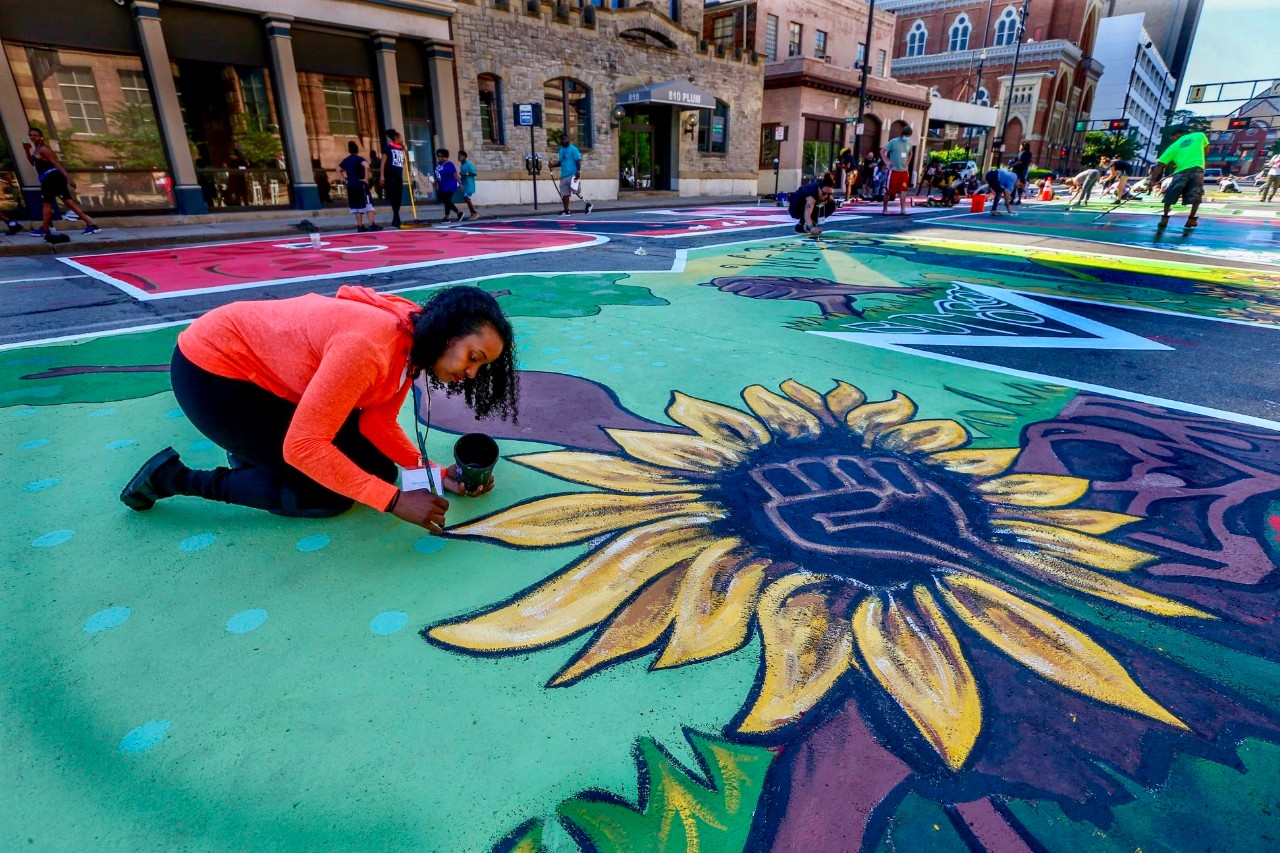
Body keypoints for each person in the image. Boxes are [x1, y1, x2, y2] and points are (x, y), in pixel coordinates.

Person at [119, 285, 519, 534]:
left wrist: (432, 471)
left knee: (378, 471)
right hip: (213, 372)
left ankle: (250, 450)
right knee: (324, 496)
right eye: (473, 357)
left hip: (270, 376)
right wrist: (394, 502)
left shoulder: (413, 344)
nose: (471, 373)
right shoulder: (370, 348)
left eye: (481, 367)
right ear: (448, 335)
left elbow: (377, 421)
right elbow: (305, 445)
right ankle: (173, 477)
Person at [23, 128, 101, 241]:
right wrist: (27, 151)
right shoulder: (36, 149)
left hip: (51, 178)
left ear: (41, 137)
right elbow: (33, 164)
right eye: (31, 135)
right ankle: (91, 224)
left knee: (46, 203)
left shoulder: (44, 149)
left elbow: (56, 163)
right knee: (68, 202)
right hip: (51, 178)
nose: (32, 137)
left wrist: (68, 177)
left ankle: (44, 228)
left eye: (35, 135)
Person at [1148, 126, 1210, 230]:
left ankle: (1164, 219)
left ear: (1176, 136)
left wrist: (1152, 180)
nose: (1173, 140)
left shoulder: (1173, 146)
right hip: (1197, 168)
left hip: (1180, 172)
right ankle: (1191, 220)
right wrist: (1200, 159)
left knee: (1170, 194)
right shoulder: (1199, 135)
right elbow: (1206, 149)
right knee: (1196, 194)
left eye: (1173, 138)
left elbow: (1160, 165)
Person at [337, 141, 381, 232]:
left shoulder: (346, 160)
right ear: (357, 150)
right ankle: (371, 224)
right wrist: (366, 178)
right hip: (360, 184)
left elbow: (338, 169)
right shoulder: (360, 159)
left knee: (357, 206)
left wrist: (344, 179)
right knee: (368, 204)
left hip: (351, 185)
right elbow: (367, 166)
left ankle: (360, 226)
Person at [880, 125, 914, 215]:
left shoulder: (909, 143)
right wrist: (887, 162)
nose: (907, 137)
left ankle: (903, 209)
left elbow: (910, 154)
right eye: (906, 135)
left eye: (909, 136)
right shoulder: (893, 142)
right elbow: (882, 151)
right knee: (889, 190)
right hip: (893, 170)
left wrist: (908, 162)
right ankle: (885, 209)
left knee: (904, 190)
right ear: (903, 134)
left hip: (904, 171)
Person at [380, 129, 406, 228]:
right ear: (396, 138)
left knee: (399, 198)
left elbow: (403, 162)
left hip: (398, 176)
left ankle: (395, 219)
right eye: (401, 138)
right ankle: (397, 220)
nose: (402, 140)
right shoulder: (388, 148)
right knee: (393, 197)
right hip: (389, 176)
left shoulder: (400, 149)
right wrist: (382, 176)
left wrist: (405, 150)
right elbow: (383, 163)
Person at [551, 137, 583, 215]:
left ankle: (586, 203)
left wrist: (578, 172)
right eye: (563, 139)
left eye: (565, 139)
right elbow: (561, 162)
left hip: (572, 174)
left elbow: (578, 160)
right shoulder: (561, 150)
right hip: (564, 175)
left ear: (568, 139)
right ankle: (566, 210)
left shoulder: (573, 149)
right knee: (564, 194)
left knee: (576, 191)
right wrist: (552, 165)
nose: (564, 141)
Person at [434, 148, 463, 223]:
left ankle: (447, 217)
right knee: (446, 201)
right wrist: (436, 182)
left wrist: (460, 183)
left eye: (441, 156)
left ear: (445, 156)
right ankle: (459, 213)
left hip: (450, 185)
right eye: (438, 156)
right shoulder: (439, 164)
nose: (440, 158)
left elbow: (455, 174)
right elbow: (438, 174)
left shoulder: (450, 164)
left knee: (447, 200)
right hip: (442, 185)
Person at [457, 149, 479, 220]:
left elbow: (474, 173)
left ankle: (474, 213)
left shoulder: (468, 164)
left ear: (464, 157)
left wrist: (465, 174)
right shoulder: (462, 165)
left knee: (466, 197)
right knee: (465, 198)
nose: (459, 157)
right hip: (465, 184)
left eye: (460, 156)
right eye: (458, 156)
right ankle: (473, 213)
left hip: (469, 183)